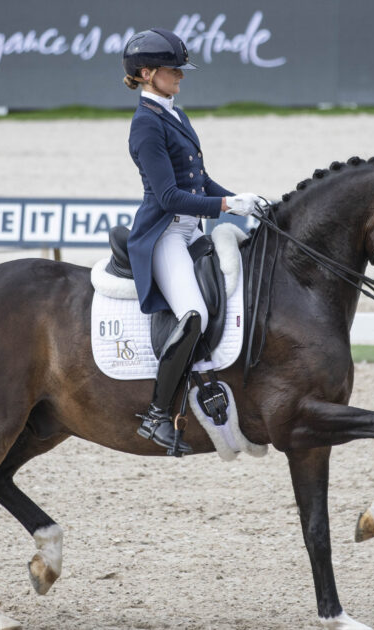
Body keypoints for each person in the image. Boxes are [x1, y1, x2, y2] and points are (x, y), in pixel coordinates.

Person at [121, 28, 264, 454]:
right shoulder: (145, 125)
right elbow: (167, 196)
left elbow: (199, 182)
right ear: (147, 74)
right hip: (165, 234)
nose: (180, 75)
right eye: (172, 69)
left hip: (192, 231)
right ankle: (158, 414)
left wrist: (242, 202)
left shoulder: (175, 115)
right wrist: (225, 206)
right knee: (194, 313)